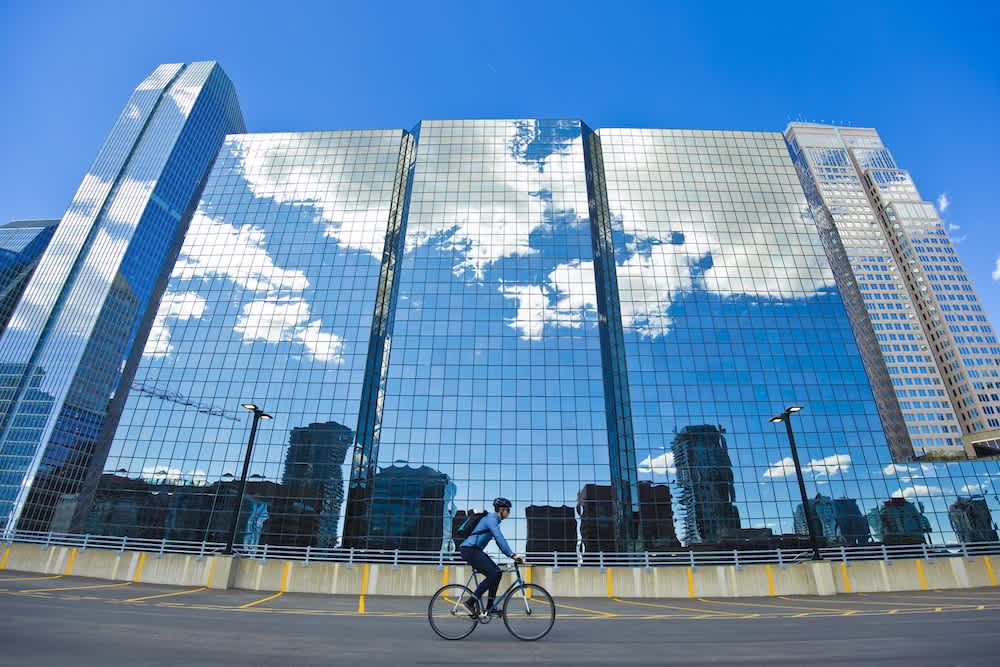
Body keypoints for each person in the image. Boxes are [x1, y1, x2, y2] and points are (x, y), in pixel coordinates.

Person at [458, 497, 524, 616]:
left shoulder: (494, 521)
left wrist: (510, 555)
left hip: (474, 550)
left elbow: (499, 542)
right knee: (493, 574)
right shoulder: (491, 519)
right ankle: (469, 603)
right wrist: (512, 555)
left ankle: (490, 607)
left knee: (497, 573)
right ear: (501, 510)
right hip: (469, 550)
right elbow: (499, 538)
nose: (509, 512)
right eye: (508, 510)